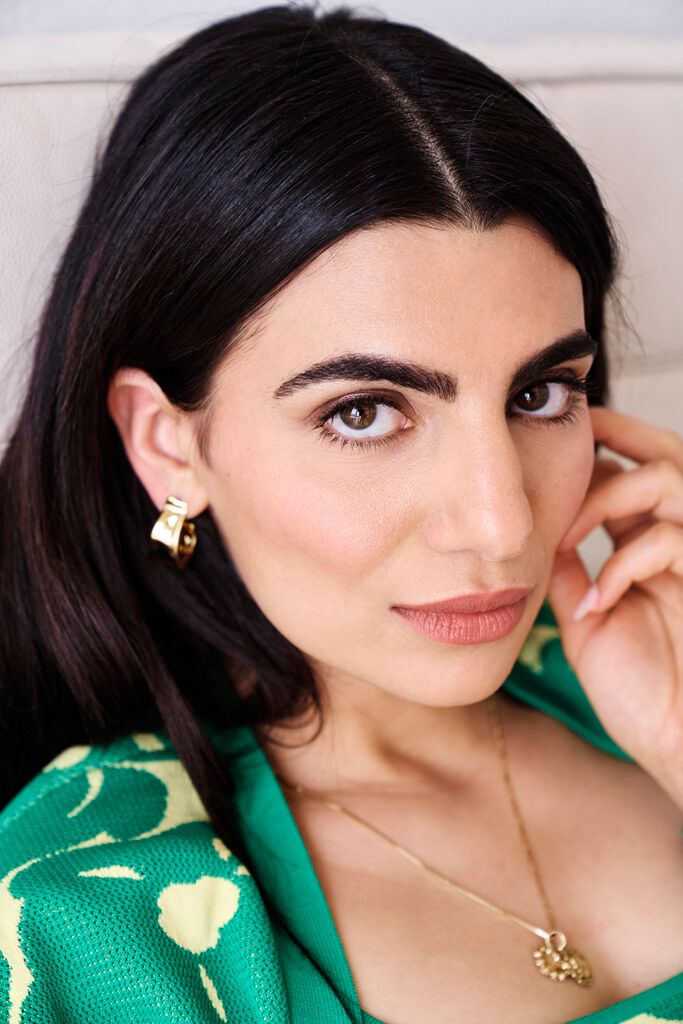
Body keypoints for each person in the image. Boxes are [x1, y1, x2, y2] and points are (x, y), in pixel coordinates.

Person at [0, 3, 682, 1023]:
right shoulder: (91, 913)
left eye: (538, 394)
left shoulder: (644, 682)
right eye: (363, 412)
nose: (500, 524)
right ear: (166, 441)